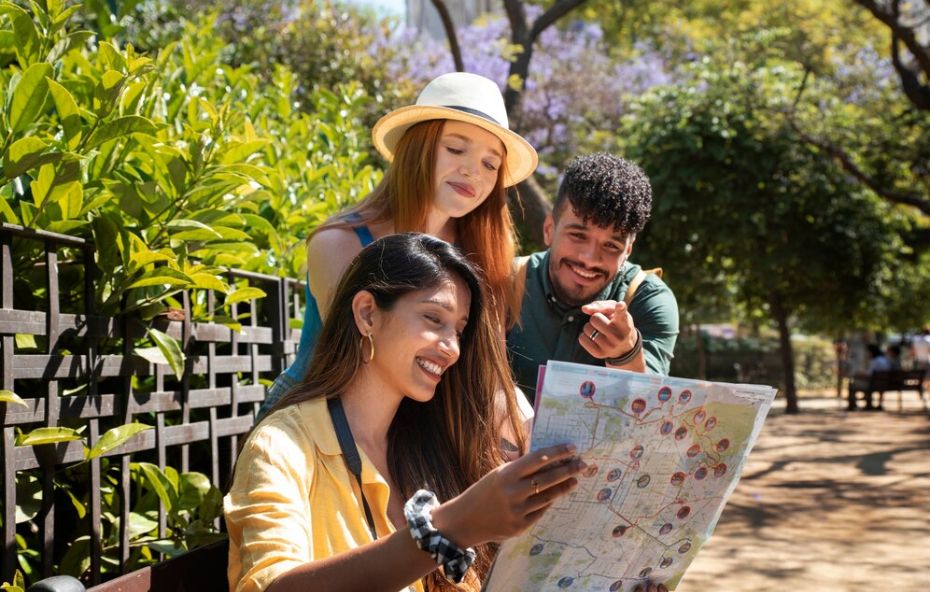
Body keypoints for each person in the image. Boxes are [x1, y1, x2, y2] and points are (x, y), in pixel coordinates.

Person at [225, 234, 583, 592]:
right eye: (433, 318)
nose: (452, 348)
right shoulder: (280, 446)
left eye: (458, 330)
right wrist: (448, 529)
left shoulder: (432, 449)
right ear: (367, 313)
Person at [259, 72, 538, 417]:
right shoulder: (339, 244)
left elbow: (489, 377)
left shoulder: (481, 261)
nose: (473, 172)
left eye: (490, 164)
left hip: (412, 438)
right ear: (416, 148)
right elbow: (367, 370)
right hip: (312, 426)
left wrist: (527, 428)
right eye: (455, 148)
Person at [507, 153, 679, 400]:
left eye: (611, 246)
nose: (589, 258)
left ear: (627, 252)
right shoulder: (504, 282)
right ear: (549, 230)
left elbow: (649, 409)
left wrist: (626, 354)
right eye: (578, 235)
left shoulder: (648, 300)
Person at [847, 343, 893, 411]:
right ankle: (868, 404)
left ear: (871, 352)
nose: (867, 354)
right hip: (885, 383)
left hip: (874, 384)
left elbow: (870, 375)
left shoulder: (875, 361)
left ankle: (852, 405)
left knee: (852, 385)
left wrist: (858, 375)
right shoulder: (885, 360)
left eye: (868, 352)